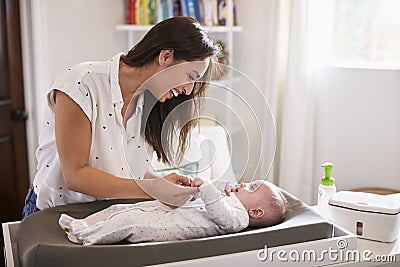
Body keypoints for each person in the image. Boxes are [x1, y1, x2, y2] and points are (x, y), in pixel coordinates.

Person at [23, 16, 221, 218]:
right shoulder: (80, 84)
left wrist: (163, 184)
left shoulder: (149, 106)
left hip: (104, 217)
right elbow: (75, 176)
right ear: (166, 56)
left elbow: (128, 173)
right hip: (53, 214)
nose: (189, 90)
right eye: (190, 77)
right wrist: (152, 189)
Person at [59, 179, 287, 245]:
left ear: (256, 212)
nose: (245, 184)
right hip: (168, 214)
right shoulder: (233, 203)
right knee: (123, 209)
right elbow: (212, 202)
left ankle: (86, 236)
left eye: (252, 188)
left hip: (165, 228)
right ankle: (85, 223)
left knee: (129, 221)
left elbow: (222, 216)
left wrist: (209, 189)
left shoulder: (240, 218)